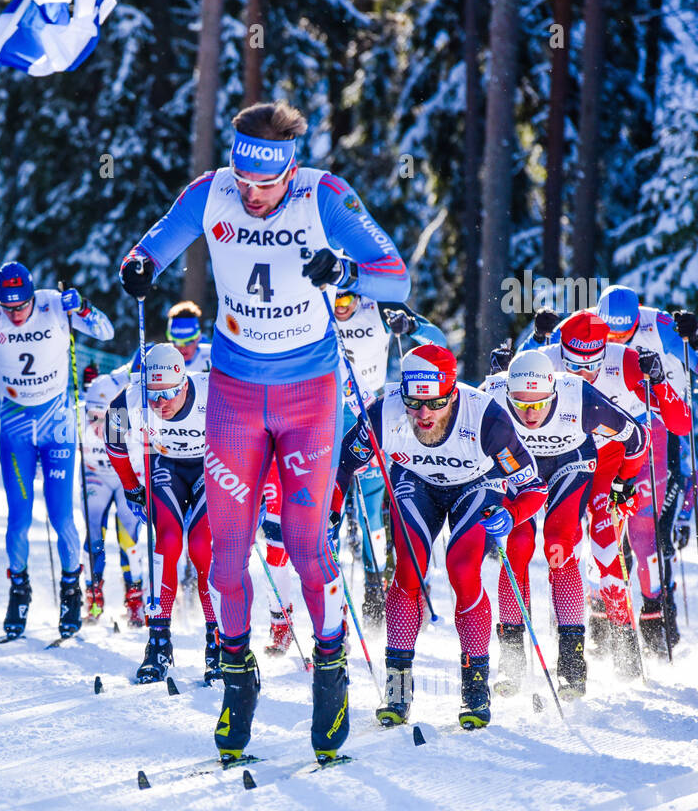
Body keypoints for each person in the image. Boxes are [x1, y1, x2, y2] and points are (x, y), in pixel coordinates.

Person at [120, 100, 411, 765]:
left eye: (267, 186)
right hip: (234, 391)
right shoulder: (212, 192)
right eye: (245, 184)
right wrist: (137, 265)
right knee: (228, 553)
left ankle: (332, 672)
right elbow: (157, 242)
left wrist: (346, 274)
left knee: (307, 545)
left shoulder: (324, 196)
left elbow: (397, 277)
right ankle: (237, 676)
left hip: (310, 395)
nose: (254, 198)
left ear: (290, 171)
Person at [332, 345, 548, 729]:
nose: (424, 414)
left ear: (453, 393)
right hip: (416, 483)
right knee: (408, 570)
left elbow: (533, 487)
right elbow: (343, 465)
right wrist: (330, 510)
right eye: (414, 403)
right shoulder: (385, 413)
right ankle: (398, 688)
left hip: (476, 485)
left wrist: (511, 514)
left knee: (462, 569)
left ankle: (475, 688)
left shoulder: (486, 419)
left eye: (436, 403)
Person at [0, 261, 114, 639]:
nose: (14, 315)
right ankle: (19, 590)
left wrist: (84, 307)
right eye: (7, 308)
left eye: (20, 307)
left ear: (32, 296)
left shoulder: (53, 304)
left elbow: (105, 332)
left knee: (62, 518)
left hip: (57, 424)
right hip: (17, 426)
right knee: (19, 520)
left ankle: (71, 591)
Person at [520, 310, 691, 669]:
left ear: (605, 350)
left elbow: (680, 423)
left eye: (592, 365)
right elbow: (510, 384)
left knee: (605, 544)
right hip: (563, 455)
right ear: (560, 351)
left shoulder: (625, 361)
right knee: (562, 545)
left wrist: (658, 381)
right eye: (572, 365)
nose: (583, 375)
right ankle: (570, 637)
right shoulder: (546, 359)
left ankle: (626, 642)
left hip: (611, 456)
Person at [482, 349, 648, 694]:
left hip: (568, 463)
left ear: (554, 393)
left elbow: (636, 438)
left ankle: (572, 662)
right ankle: (511, 660)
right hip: (518, 466)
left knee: (559, 545)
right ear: (507, 394)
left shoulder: (580, 397)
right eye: (521, 405)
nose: (530, 414)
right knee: (516, 548)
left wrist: (622, 484)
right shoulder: (492, 393)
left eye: (540, 404)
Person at [105, 344, 221, 685]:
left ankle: (217, 644)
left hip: (208, 468)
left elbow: (251, 430)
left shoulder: (212, 390)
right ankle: (158, 644)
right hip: (164, 467)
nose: (161, 403)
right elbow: (114, 443)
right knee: (167, 543)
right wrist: (130, 487)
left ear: (185, 382)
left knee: (202, 548)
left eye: (170, 392)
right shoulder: (129, 399)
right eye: (154, 395)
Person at [332, 290, 447, 630]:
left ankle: (373, 587)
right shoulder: (315, 305)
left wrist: (409, 325)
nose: (341, 308)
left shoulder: (378, 305)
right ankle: (331, 588)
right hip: (328, 412)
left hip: (369, 408)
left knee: (370, 504)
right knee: (330, 500)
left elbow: (436, 340)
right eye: (335, 302)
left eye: (346, 301)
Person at [81, 370, 145, 625]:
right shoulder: (77, 416)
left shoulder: (127, 416)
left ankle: (135, 601)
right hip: (95, 475)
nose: (97, 426)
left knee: (127, 536)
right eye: (92, 417)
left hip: (125, 479)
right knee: (94, 531)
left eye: (104, 418)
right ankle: (93, 597)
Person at [165, 301, 211, 372]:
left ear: (198, 337)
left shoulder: (212, 358)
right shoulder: (161, 358)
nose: (182, 349)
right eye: (177, 343)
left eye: (188, 342)